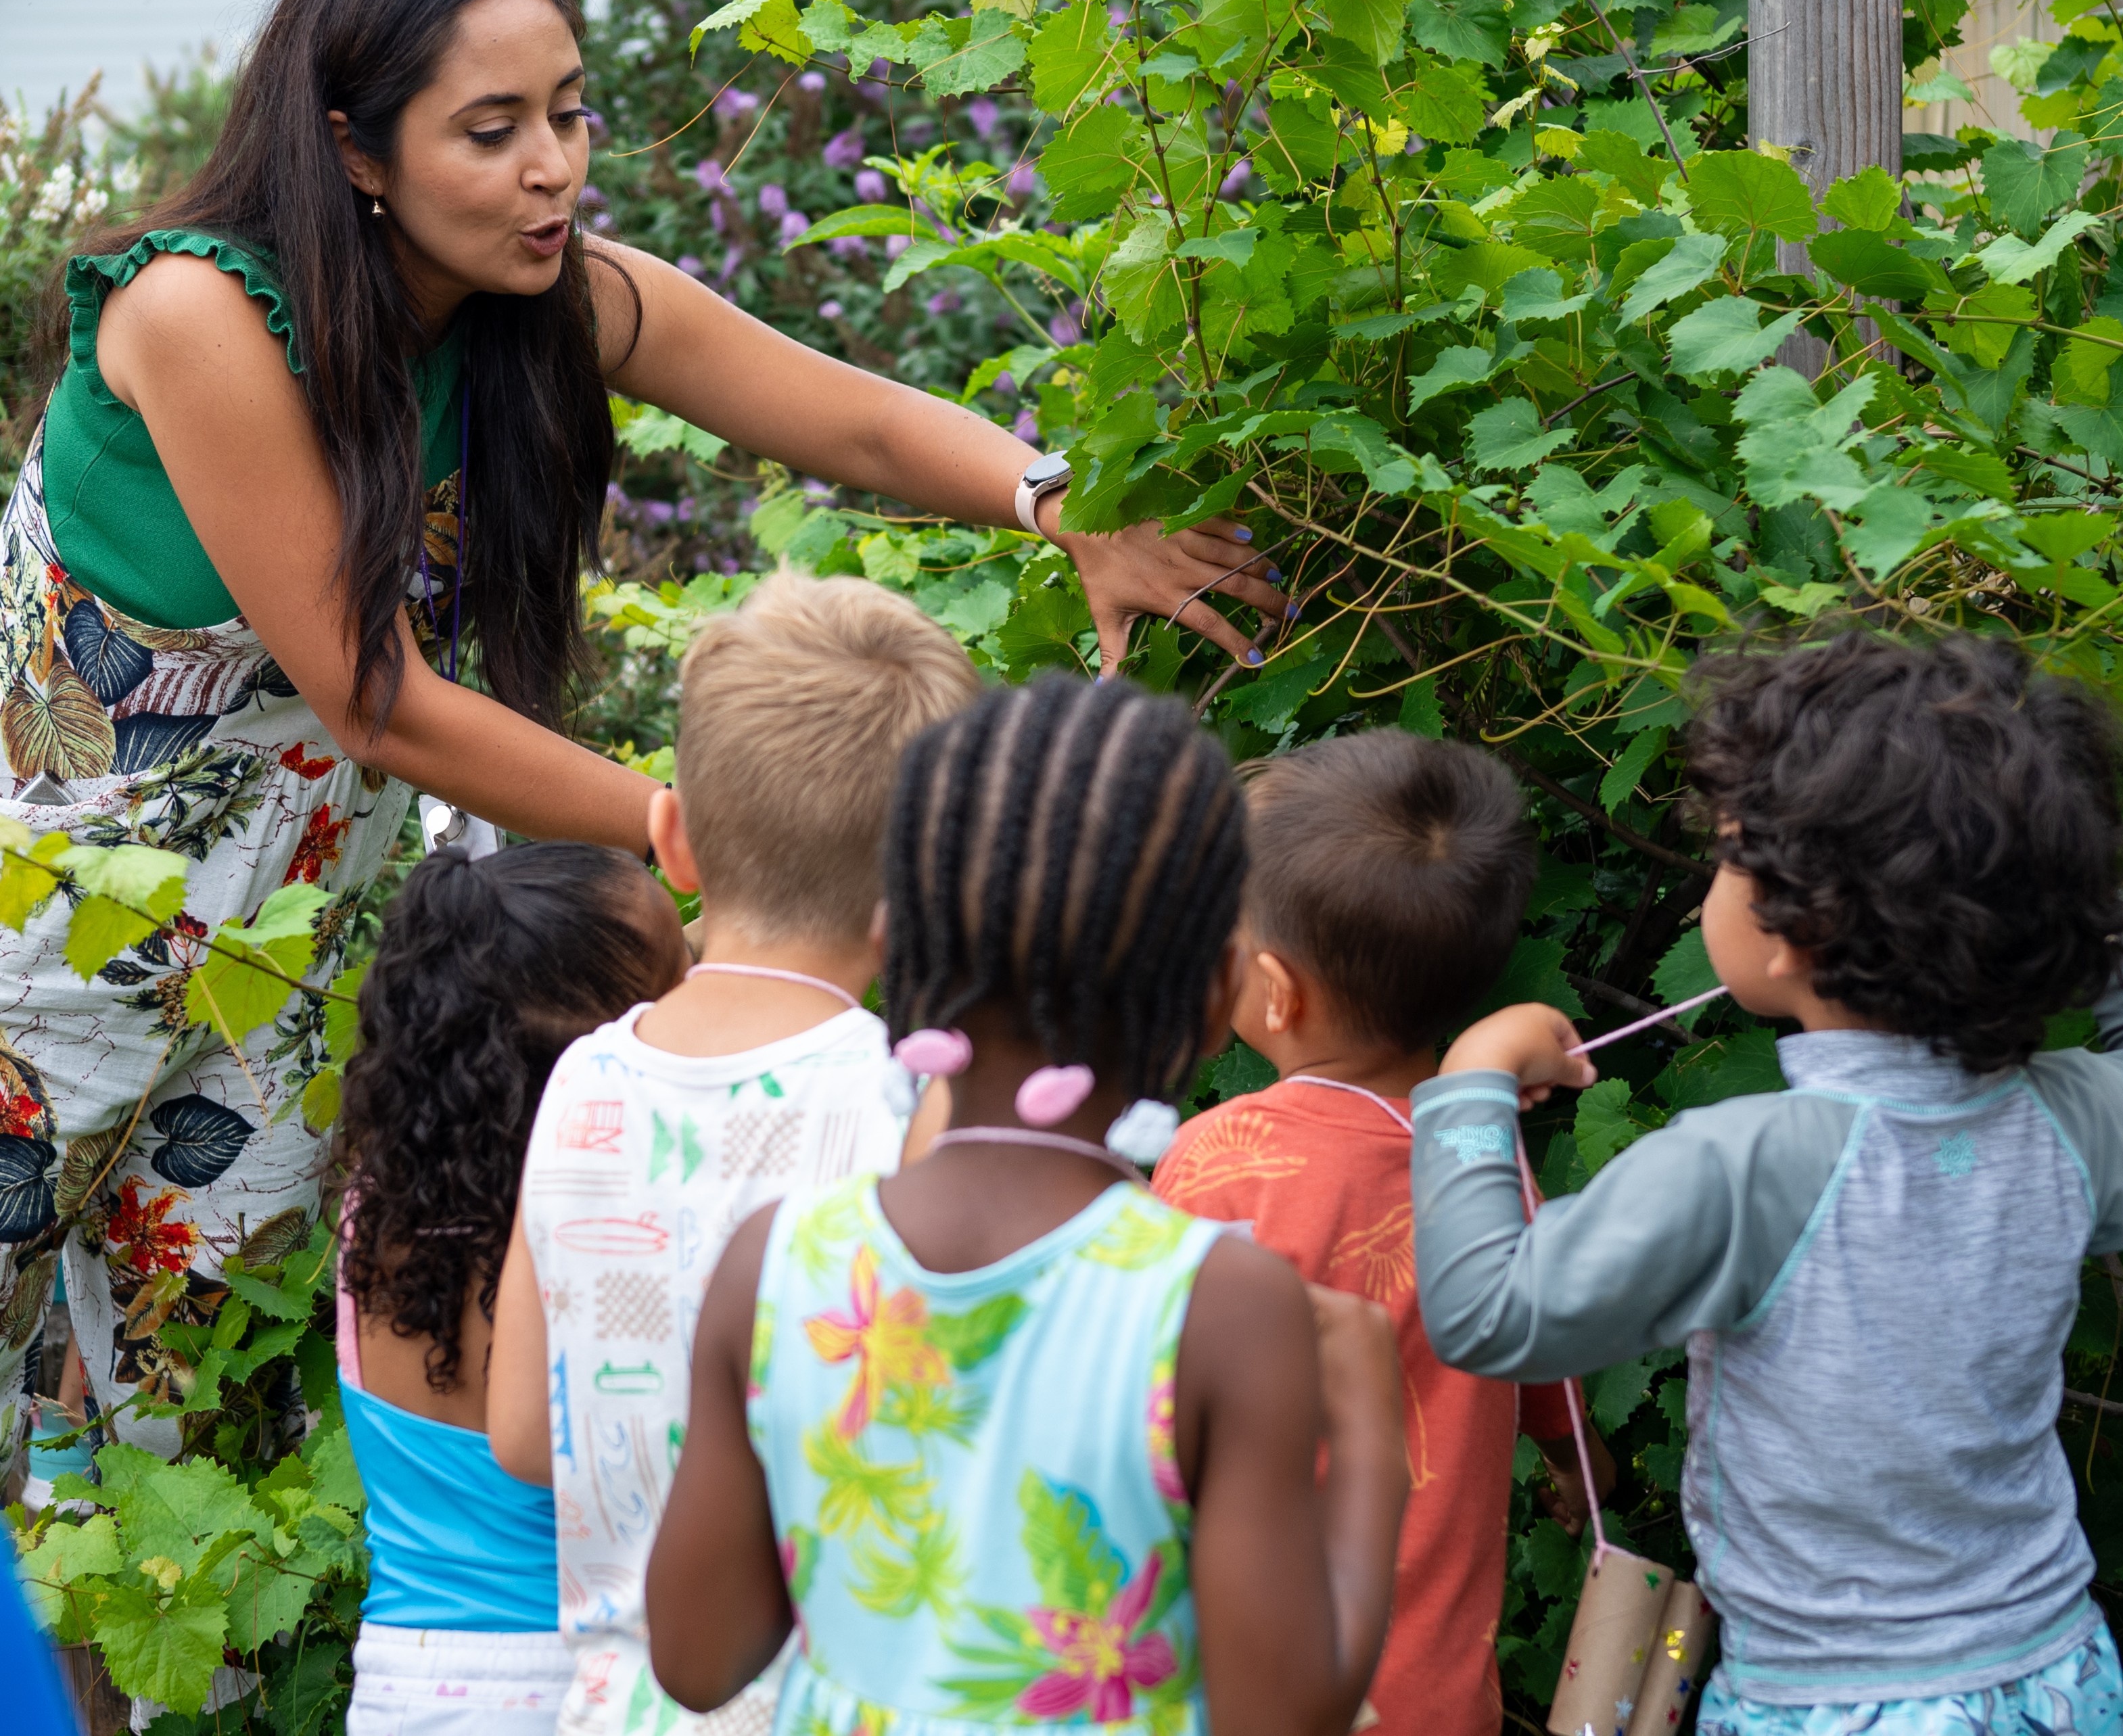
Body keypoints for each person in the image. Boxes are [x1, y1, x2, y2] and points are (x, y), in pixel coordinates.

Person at [0, 0, 1284, 1443]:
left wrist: (1064, 504)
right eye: (492, 129)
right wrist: (694, 826)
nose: (553, 165)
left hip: (277, 961)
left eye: (567, 112)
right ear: (357, 150)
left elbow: (850, 421)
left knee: (200, 1440)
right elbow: (373, 694)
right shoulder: (201, 314)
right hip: (48, 939)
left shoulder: (539, 306)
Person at [1409, 632, 2123, 1729]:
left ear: (1797, 927)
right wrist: (2073, 890)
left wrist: (1467, 1083)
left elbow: (1486, 1312)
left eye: (1725, 854)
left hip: (1828, 1704)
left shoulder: (1743, 1166)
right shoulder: (2071, 1123)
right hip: (2055, 1680)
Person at [644, 673, 1410, 1736]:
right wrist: (1371, 1432)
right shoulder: (1220, 1308)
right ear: (1210, 997)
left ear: (895, 951)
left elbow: (695, 1656)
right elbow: (1279, 1719)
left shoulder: (775, 1265)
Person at [485, 571, 981, 1736]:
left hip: (624, 1703)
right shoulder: (912, 1100)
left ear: (674, 837)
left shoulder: (583, 1083)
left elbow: (521, 1433)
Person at [1154, 730, 1599, 1736]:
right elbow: (1541, 1363)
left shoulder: (1212, 1162)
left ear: (1276, 988)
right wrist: (1582, 1468)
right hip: (1437, 1700)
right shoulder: (1481, 1163)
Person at [331, 840, 686, 1734]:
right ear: (598, 1041)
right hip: (573, 1674)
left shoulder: (380, 1205)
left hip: (399, 1687)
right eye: (685, 974)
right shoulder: (596, 1231)